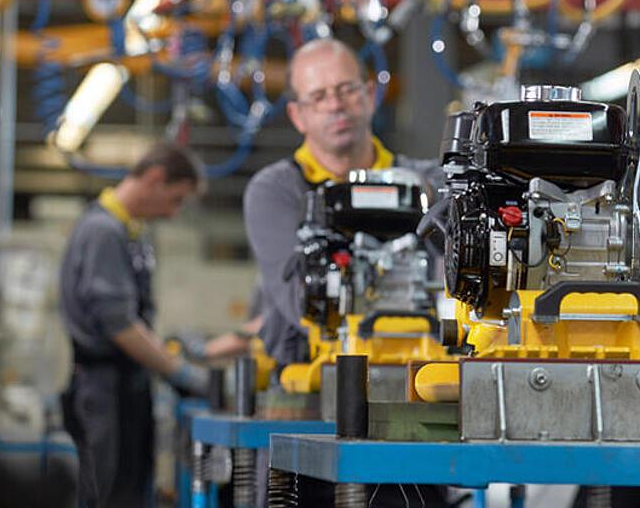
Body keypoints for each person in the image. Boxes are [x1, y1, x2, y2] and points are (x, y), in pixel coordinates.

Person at [202, 38, 439, 366]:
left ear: (371, 95)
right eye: (318, 97)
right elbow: (299, 303)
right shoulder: (277, 190)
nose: (335, 105)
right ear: (297, 115)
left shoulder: (428, 182)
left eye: (346, 90)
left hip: (423, 366)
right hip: (308, 372)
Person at [58, 142, 212, 508]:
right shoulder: (103, 231)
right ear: (155, 179)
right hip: (103, 388)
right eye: (175, 199)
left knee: (130, 491)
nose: (173, 213)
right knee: (109, 494)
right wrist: (180, 372)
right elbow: (120, 326)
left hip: (127, 387)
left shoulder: (131, 232)